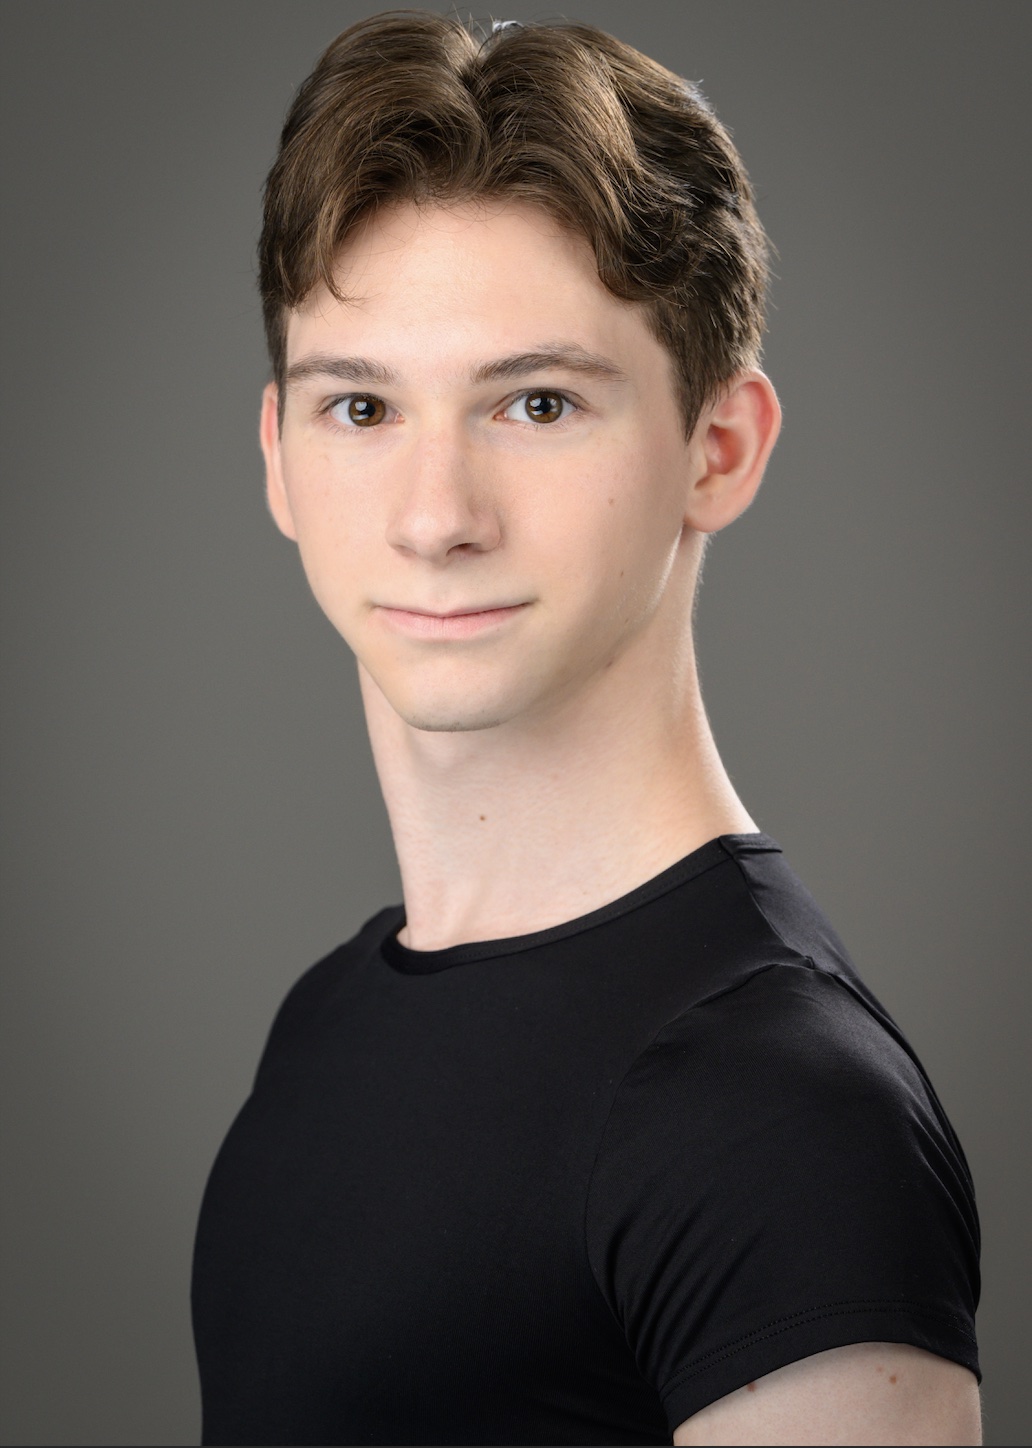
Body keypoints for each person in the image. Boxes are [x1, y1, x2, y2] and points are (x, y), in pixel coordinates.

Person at [190, 11, 982, 1444]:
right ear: (279, 460)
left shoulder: (782, 1115)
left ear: (719, 449)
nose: (435, 518)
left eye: (538, 403)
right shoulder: (325, 1025)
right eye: (361, 408)